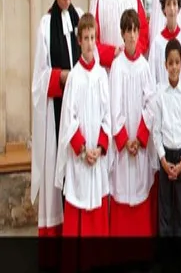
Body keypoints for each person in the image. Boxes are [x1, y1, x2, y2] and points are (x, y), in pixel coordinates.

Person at [32, 0, 83, 236]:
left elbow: (93, 53)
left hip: (77, 118)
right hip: (56, 114)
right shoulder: (44, 26)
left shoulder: (81, 19)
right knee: (57, 183)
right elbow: (38, 81)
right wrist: (61, 77)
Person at [54, 13, 110, 236]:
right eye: (85, 38)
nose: (89, 43)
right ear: (79, 41)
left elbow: (108, 117)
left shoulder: (101, 77)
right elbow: (69, 121)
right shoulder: (74, 78)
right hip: (80, 159)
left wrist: (99, 148)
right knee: (78, 211)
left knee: (97, 210)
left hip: (96, 157)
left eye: (92, 38)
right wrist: (83, 149)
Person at [109, 9, 156, 236]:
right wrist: (124, 140)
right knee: (122, 192)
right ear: (122, 34)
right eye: (128, 31)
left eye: (135, 30)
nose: (132, 35)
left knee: (139, 191)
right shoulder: (117, 67)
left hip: (138, 143)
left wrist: (139, 137)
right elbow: (113, 106)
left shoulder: (144, 67)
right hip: (124, 146)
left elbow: (151, 105)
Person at [153, 38, 181, 237]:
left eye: (177, 62)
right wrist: (163, 159)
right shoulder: (159, 95)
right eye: (171, 63)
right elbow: (156, 131)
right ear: (165, 65)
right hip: (165, 157)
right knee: (166, 211)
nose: (174, 67)